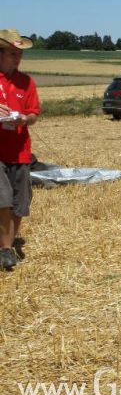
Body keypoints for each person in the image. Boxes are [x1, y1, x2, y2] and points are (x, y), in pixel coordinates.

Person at [0, 29, 40, 271]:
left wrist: (25, 119)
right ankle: (5, 249)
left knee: (20, 203)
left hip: (21, 150)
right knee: (2, 199)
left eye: (19, 54)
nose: (17, 58)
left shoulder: (26, 82)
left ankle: (8, 245)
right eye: (13, 53)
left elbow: (34, 113)